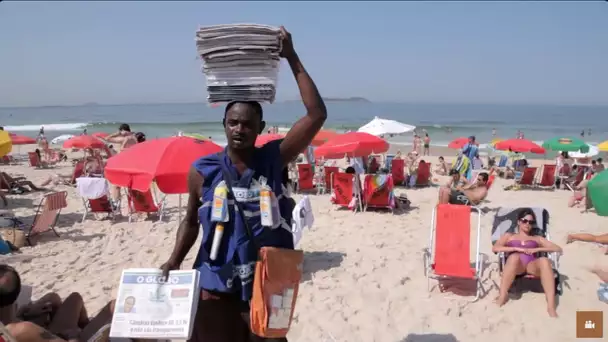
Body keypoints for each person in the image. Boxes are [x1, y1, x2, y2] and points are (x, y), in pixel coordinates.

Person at [159, 27, 326, 342]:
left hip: (267, 280)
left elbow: (316, 114)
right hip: (215, 280)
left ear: (260, 128)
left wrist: (291, 56)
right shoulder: (202, 170)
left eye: (248, 124)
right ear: (223, 124)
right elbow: (191, 221)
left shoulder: (273, 159)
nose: (239, 129)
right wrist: (174, 259)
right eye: (233, 122)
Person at [0, 265, 118, 341]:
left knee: (59, 298)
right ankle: (85, 331)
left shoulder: (11, 325)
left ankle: (85, 326)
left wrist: (22, 313)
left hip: (31, 327)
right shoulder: (22, 330)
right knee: (114, 306)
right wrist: (72, 335)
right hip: (62, 337)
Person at [492, 208, 562, 317]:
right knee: (514, 257)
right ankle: (502, 296)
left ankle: (551, 307)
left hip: (531, 266)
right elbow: (495, 248)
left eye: (531, 222)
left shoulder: (537, 238)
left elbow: (558, 249)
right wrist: (516, 248)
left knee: (544, 260)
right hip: (516, 265)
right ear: (519, 222)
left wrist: (537, 250)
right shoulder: (509, 236)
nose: (527, 224)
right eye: (525, 221)